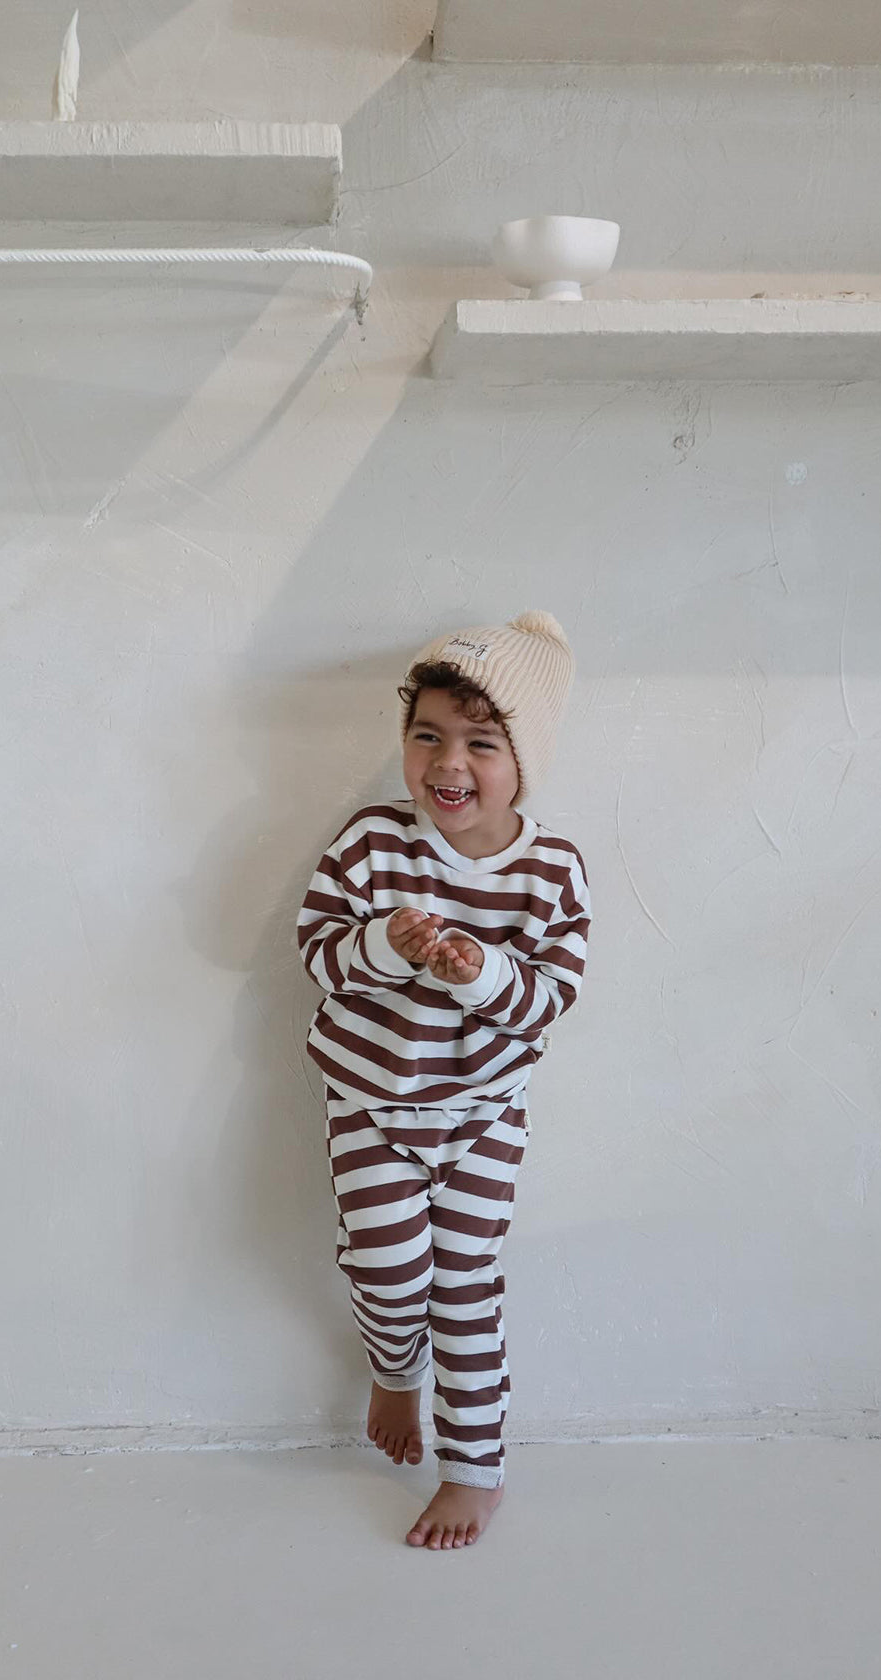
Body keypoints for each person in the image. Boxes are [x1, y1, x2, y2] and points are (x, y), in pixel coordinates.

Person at [295, 610, 591, 1550]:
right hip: (369, 1102)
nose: (447, 764)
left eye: (480, 743)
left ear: (523, 757)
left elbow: (549, 1000)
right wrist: (387, 943)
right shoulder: (371, 843)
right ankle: (394, 1365)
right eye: (427, 735)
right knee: (387, 1273)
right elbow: (317, 955)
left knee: (465, 1287)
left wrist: (483, 972)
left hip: (482, 1114)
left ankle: (475, 1471)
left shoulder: (550, 872)